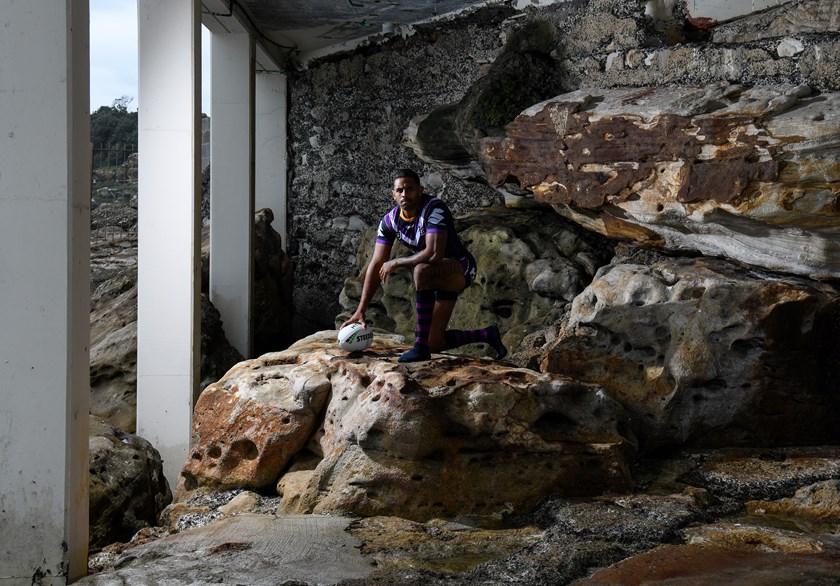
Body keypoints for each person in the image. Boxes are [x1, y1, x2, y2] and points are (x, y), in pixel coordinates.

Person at [341, 168, 507, 363]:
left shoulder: (434, 209)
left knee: (421, 270)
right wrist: (361, 309)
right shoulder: (389, 222)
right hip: (433, 276)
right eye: (400, 190)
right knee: (434, 343)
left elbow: (434, 254)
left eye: (410, 189)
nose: (405, 194)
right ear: (393, 194)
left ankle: (419, 348)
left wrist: (396, 262)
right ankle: (488, 334)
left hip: (460, 268)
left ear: (420, 191)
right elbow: (377, 263)